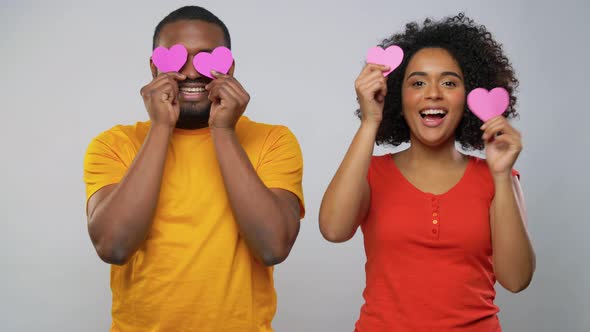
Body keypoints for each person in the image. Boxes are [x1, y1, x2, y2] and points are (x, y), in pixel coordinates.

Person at [83, 6, 304, 331]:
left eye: (206, 58)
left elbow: (273, 246)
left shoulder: (273, 140)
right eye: (175, 59)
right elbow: (113, 245)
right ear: (153, 67)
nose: (189, 73)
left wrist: (224, 130)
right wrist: (161, 127)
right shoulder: (114, 144)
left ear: (228, 66)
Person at [319, 13, 535, 331]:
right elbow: (334, 230)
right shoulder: (371, 172)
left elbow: (516, 280)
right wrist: (369, 122)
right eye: (417, 82)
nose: (433, 93)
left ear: (470, 96)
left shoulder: (497, 178)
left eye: (449, 82)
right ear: (397, 95)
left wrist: (501, 176)